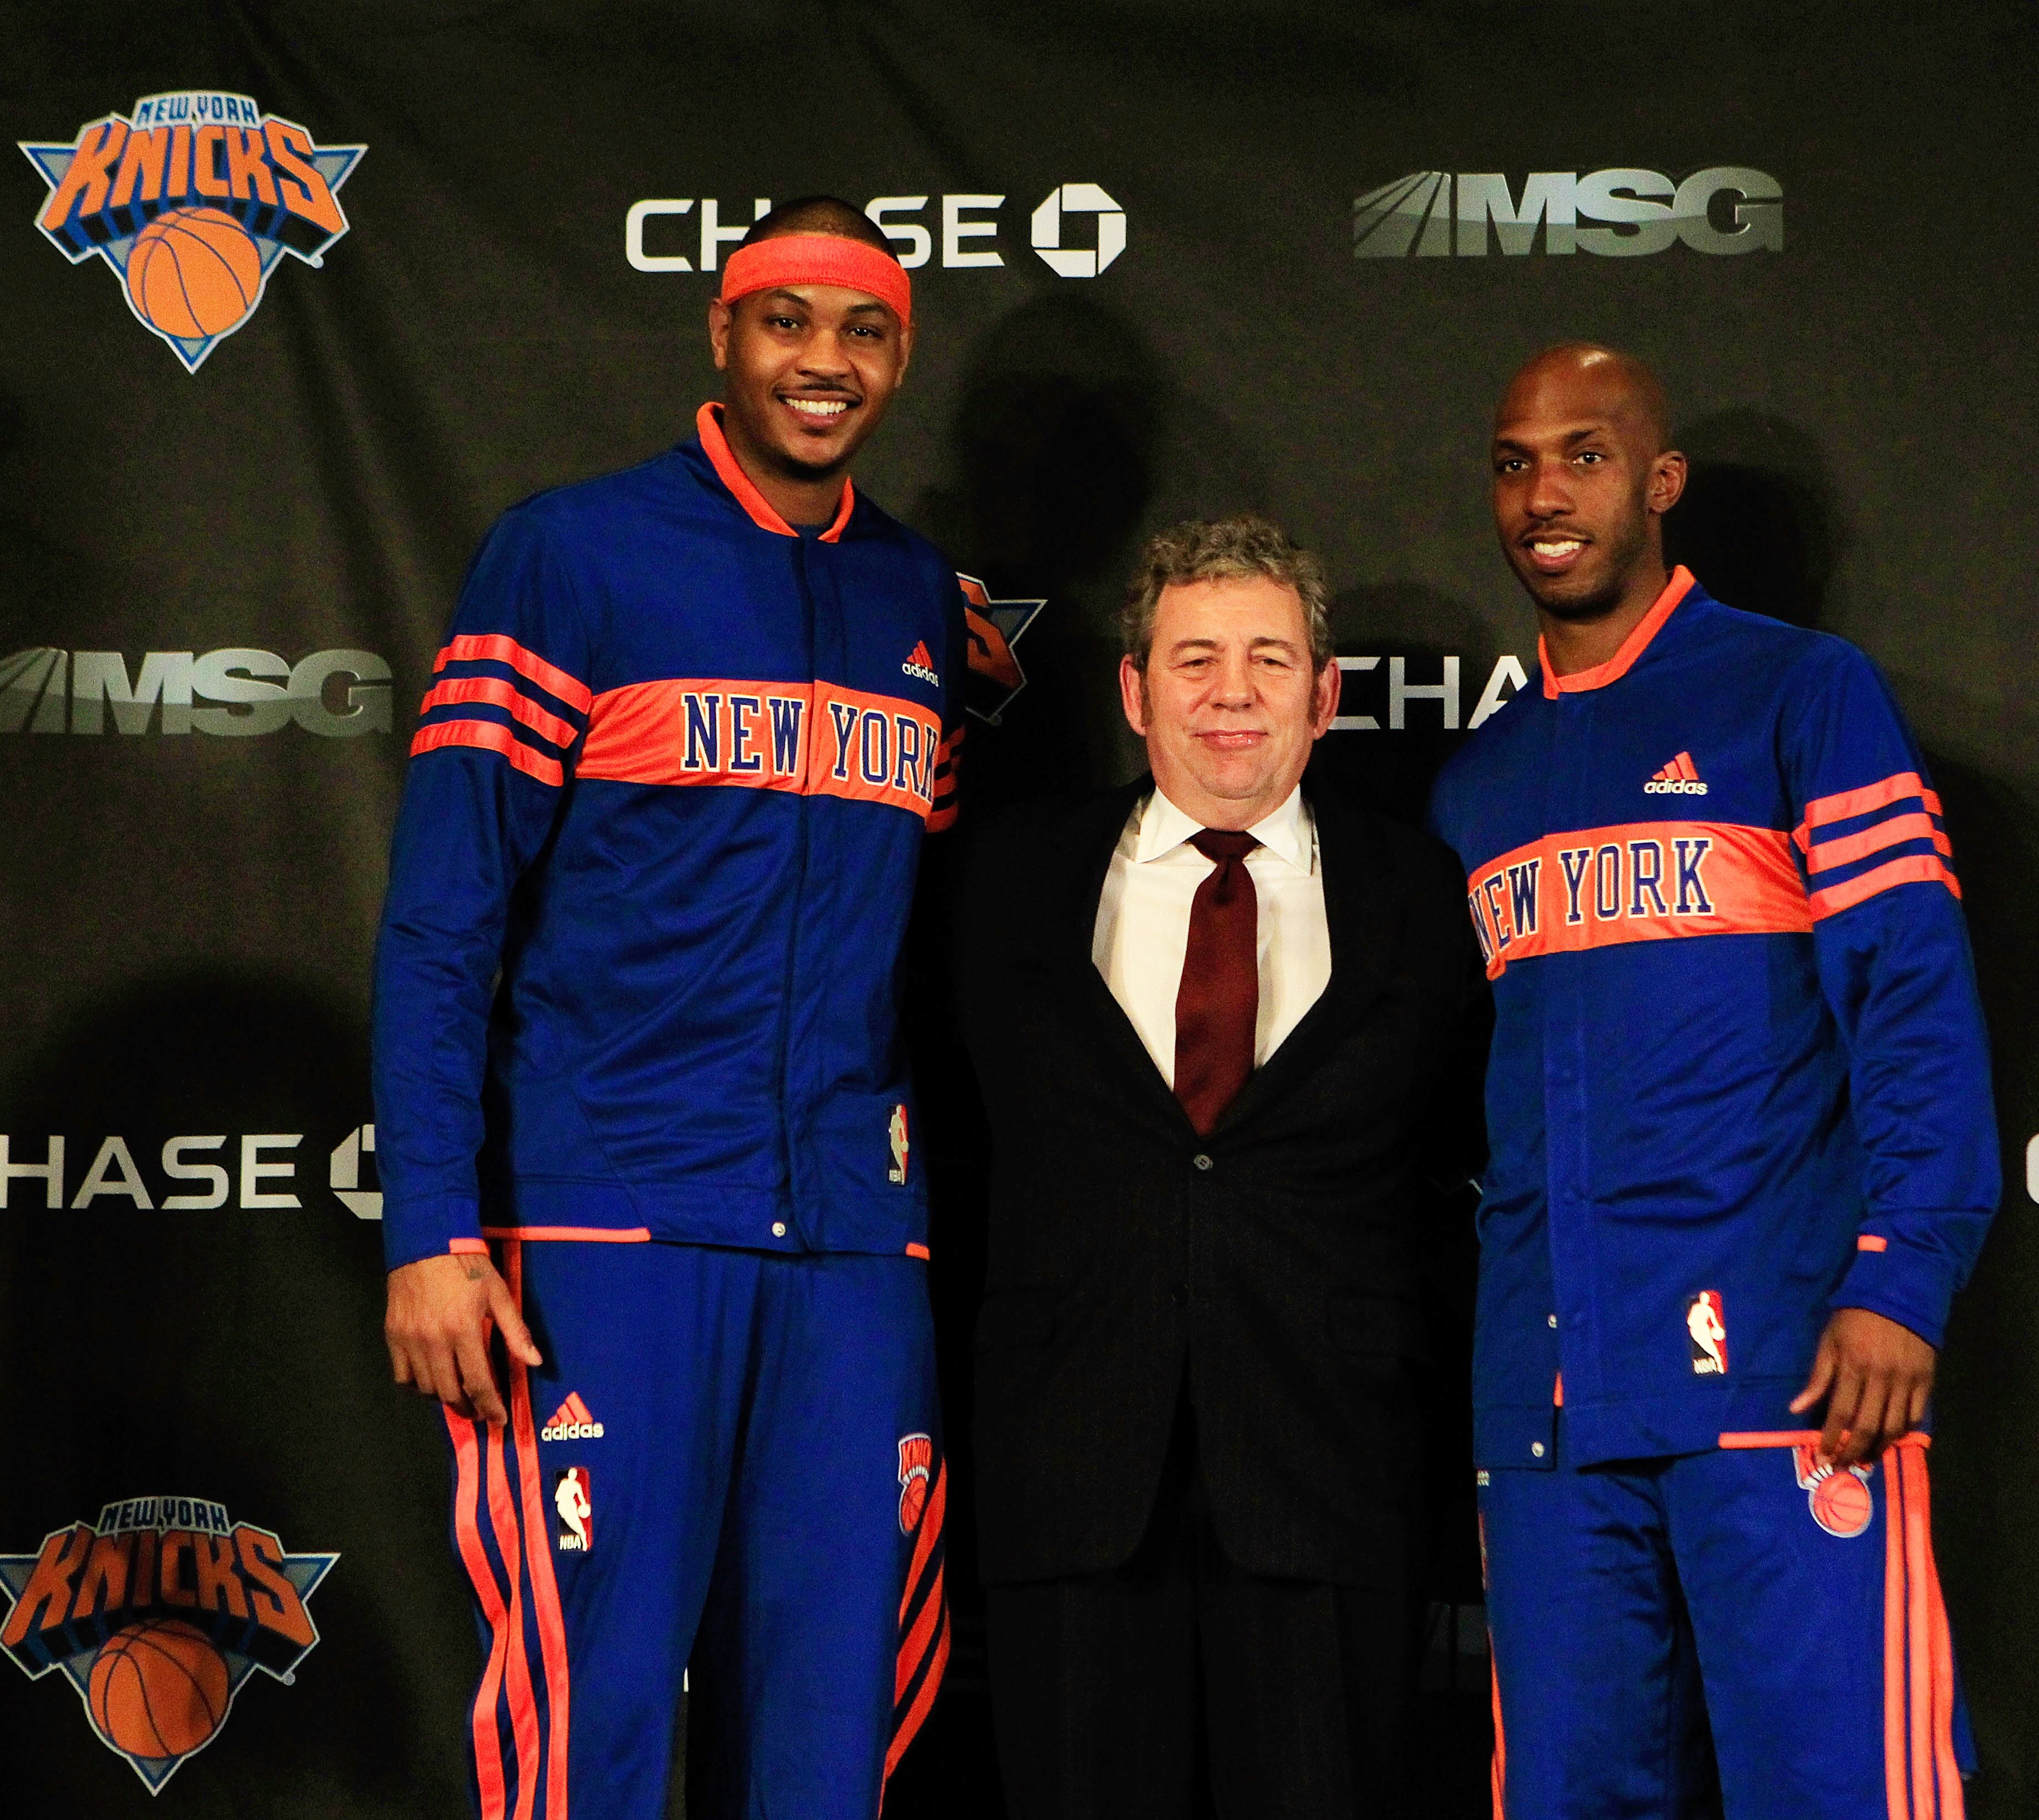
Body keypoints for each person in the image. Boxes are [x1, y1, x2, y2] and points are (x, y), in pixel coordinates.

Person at [371, 196, 965, 1820]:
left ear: (901, 358)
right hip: (608, 1232)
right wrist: (429, 1225)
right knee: (596, 1727)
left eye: (863, 331)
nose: (824, 362)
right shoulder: (572, 554)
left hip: (849, 1246)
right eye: (788, 321)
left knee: (830, 1739)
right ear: (721, 331)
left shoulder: (919, 596)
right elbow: (442, 922)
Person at [1427, 344, 1998, 1818]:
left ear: (1662, 481)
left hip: (1784, 1370)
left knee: (1836, 1792)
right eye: (1513, 464)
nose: (1544, 496)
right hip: (1552, 1406)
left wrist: (1904, 1275)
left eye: (1586, 455)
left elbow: (1912, 1000)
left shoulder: (1798, 693)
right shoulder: (1479, 782)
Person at [956, 515, 1487, 1820]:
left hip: (1333, 1481)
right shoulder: (1000, 884)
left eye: (1269, 658)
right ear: (1135, 693)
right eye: (1195, 660)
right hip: (1068, 1480)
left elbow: (1464, 1169)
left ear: (1326, 694)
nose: (1232, 693)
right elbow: (949, 1150)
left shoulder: (1424, 895)